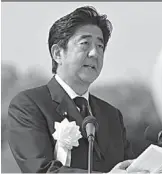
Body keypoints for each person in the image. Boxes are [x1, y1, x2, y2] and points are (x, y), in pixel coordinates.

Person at [7, 6, 138, 173]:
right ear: (57, 54)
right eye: (85, 44)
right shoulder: (28, 105)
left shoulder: (112, 115)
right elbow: (41, 170)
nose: (94, 53)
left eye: (100, 46)